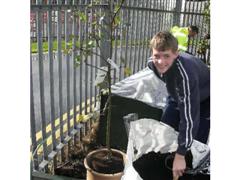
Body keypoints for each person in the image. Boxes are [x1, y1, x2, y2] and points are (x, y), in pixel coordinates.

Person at [147, 31, 210, 179]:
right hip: (177, 94)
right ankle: (169, 163)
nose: (161, 61)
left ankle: (187, 169)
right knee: (165, 130)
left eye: (166, 56)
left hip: (205, 96)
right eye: (157, 55)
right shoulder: (152, 65)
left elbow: (189, 118)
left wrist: (181, 154)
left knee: (195, 146)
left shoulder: (186, 76)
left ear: (176, 54)